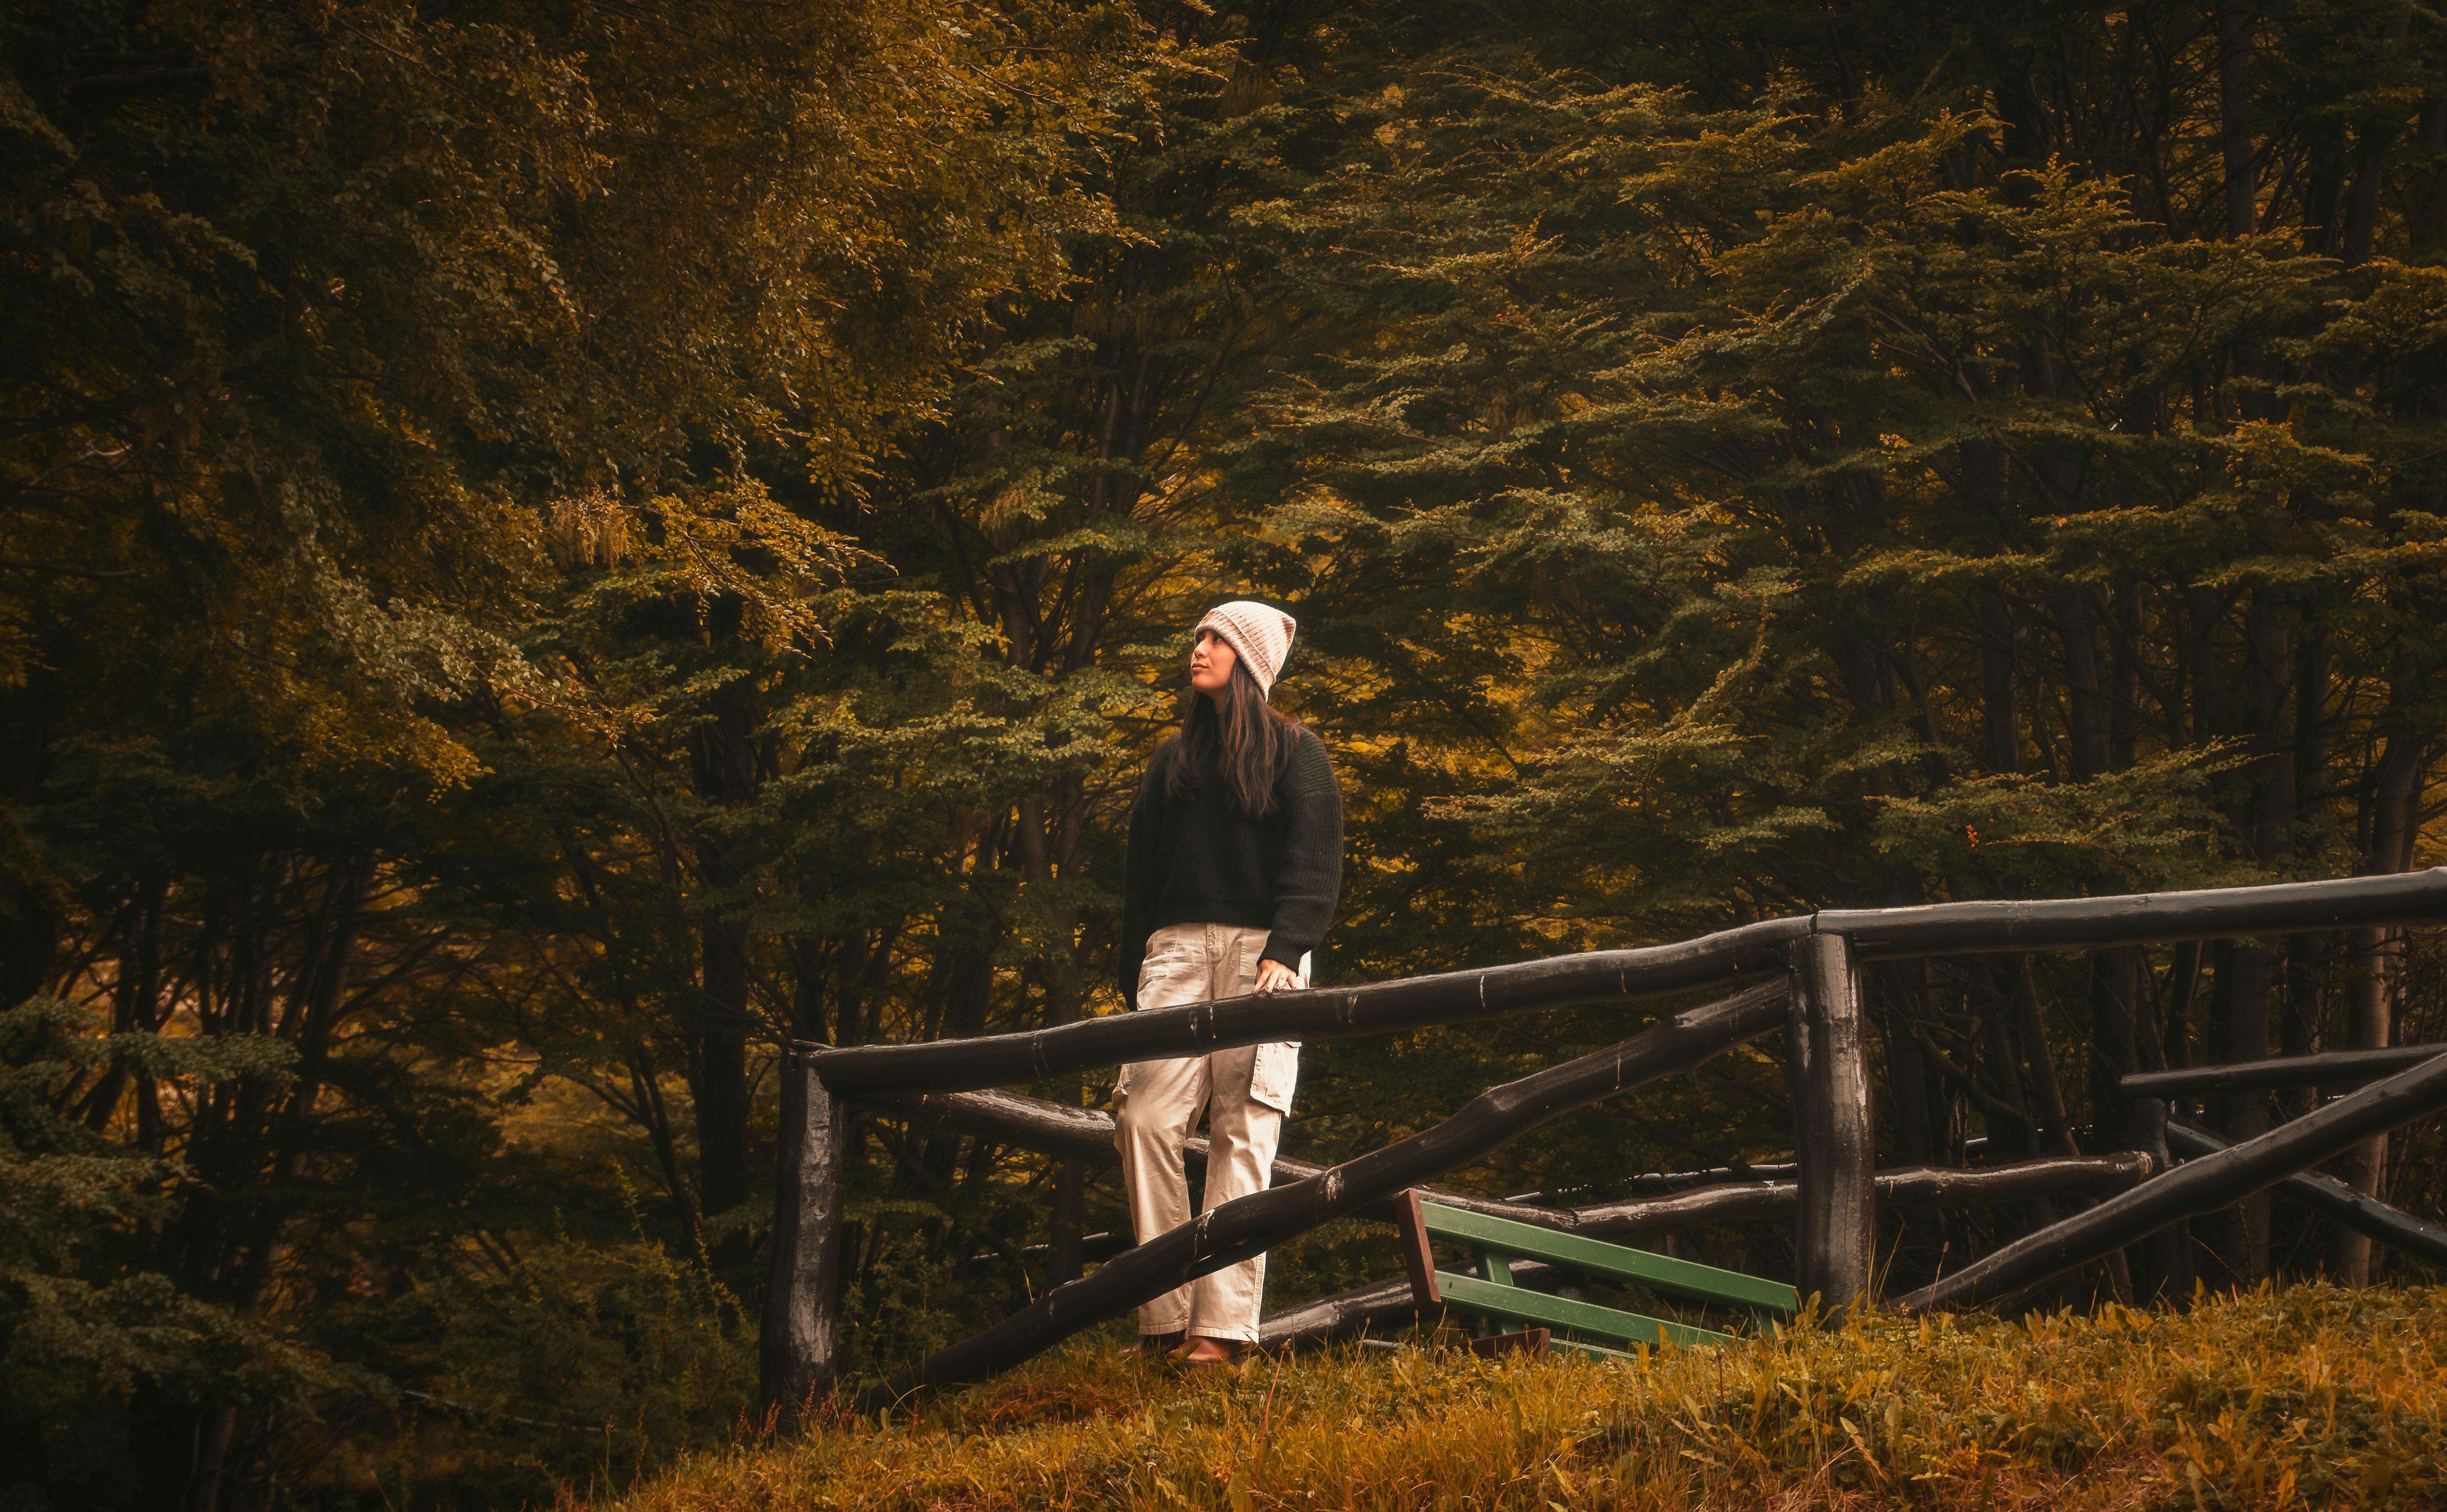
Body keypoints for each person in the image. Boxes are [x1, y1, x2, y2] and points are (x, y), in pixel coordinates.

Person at [1113, 599, 1343, 1366]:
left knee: (1244, 1132)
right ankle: (1164, 1318)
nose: (1198, 648)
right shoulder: (1172, 759)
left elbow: (1314, 863)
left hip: (1264, 957)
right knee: (1143, 1118)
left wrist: (1287, 949)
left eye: (1214, 638)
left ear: (1247, 660)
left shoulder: (1294, 752)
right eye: (1198, 637)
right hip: (1173, 957)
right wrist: (1134, 977)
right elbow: (1139, 880)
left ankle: (1219, 1333)